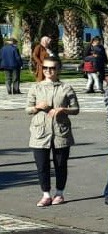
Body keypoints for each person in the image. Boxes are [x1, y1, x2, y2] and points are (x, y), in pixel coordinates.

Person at [27, 56, 79, 206]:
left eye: (52, 68)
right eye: (45, 68)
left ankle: (59, 193)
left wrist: (64, 110)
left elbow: (76, 109)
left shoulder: (66, 88)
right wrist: (37, 107)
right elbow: (28, 109)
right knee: (42, 165)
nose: (48, 71)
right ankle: (45, 194)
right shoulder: (35, 87)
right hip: (40, 132)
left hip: (60, 131)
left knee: (60, 164)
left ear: (58, 70)